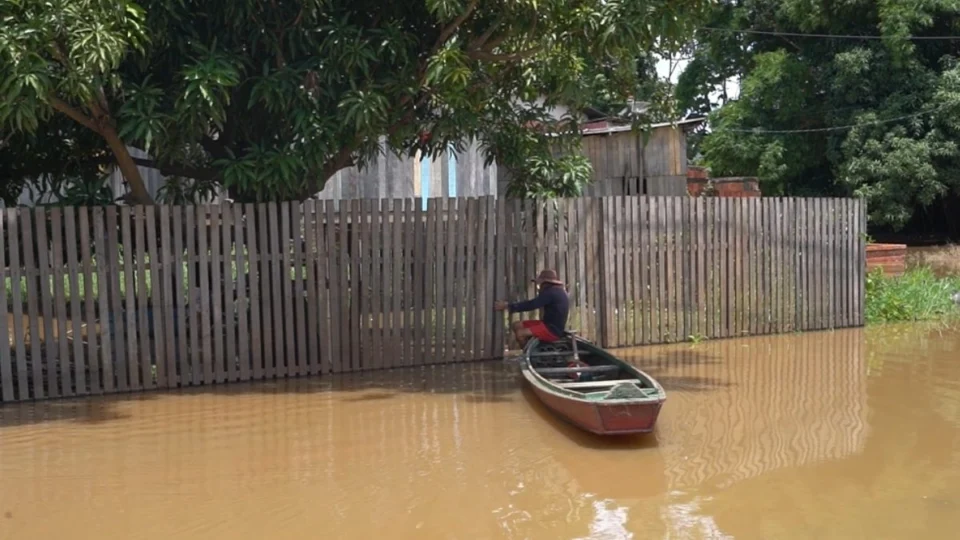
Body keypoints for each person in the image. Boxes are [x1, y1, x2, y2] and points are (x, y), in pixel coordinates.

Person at [494, 269, 569, 350]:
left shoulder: (551, 292)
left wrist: (508, 306)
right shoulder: (556, 291)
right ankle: (533, 348)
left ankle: (528, 356)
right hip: (547, 325)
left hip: (552, 330)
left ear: (545, 282)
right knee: (516, 325)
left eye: (540, 283)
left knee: (520, 334)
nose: (539, 285)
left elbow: (532, 305)